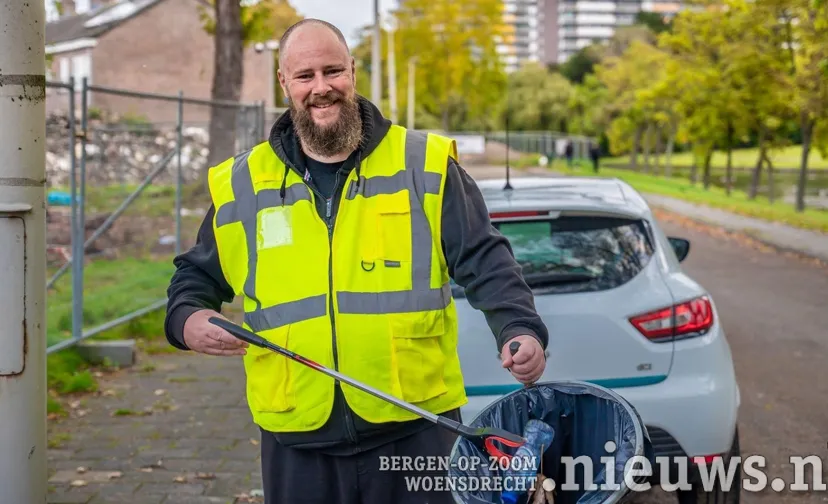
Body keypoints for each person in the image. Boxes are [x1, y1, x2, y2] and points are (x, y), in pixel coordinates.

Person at [164, 18, 549, 504]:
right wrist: (186, 320)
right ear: (284, 83)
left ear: (353, 72)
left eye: (333, 71)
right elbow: (195, 278)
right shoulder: (242, 183)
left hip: (417, 431)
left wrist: (519, 327)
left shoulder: (423, 162)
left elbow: (485, 258)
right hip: (297, 441)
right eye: (305, 76)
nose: (321, 88)